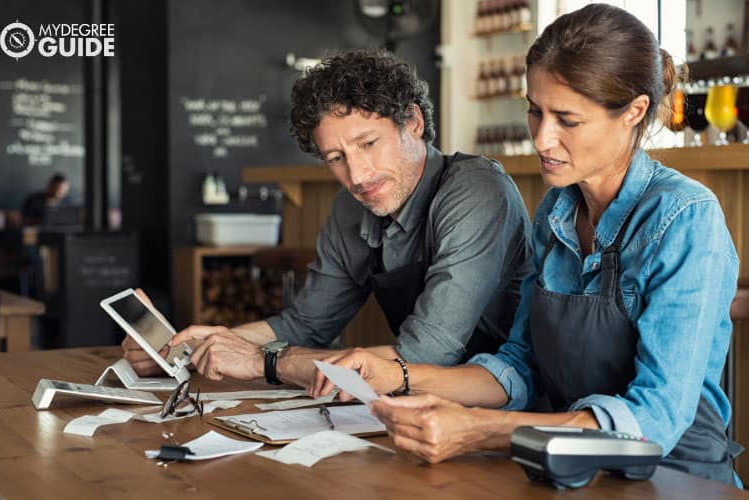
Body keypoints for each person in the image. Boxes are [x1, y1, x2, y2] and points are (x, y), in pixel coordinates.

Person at [311, 4, 742, 486]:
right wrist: (397, 375)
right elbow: (520, 366)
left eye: (567, 119)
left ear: (634, 112)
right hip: (567, 469)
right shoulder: (556, 213)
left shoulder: (685, 218)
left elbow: (655, 420)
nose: (541, 137)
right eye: (535, 111)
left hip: (675, 479)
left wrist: (482, 430)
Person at [123, 49, 532, 388]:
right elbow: (305, 324)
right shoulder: (350, 208)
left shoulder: (475, 190)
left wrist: (265, 362)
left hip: (508, 407)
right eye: (336, 158)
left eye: (368, 143)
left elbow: (425, 354)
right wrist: (195, 347)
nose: (357, 175)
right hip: (421, 407)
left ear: (413, 123)